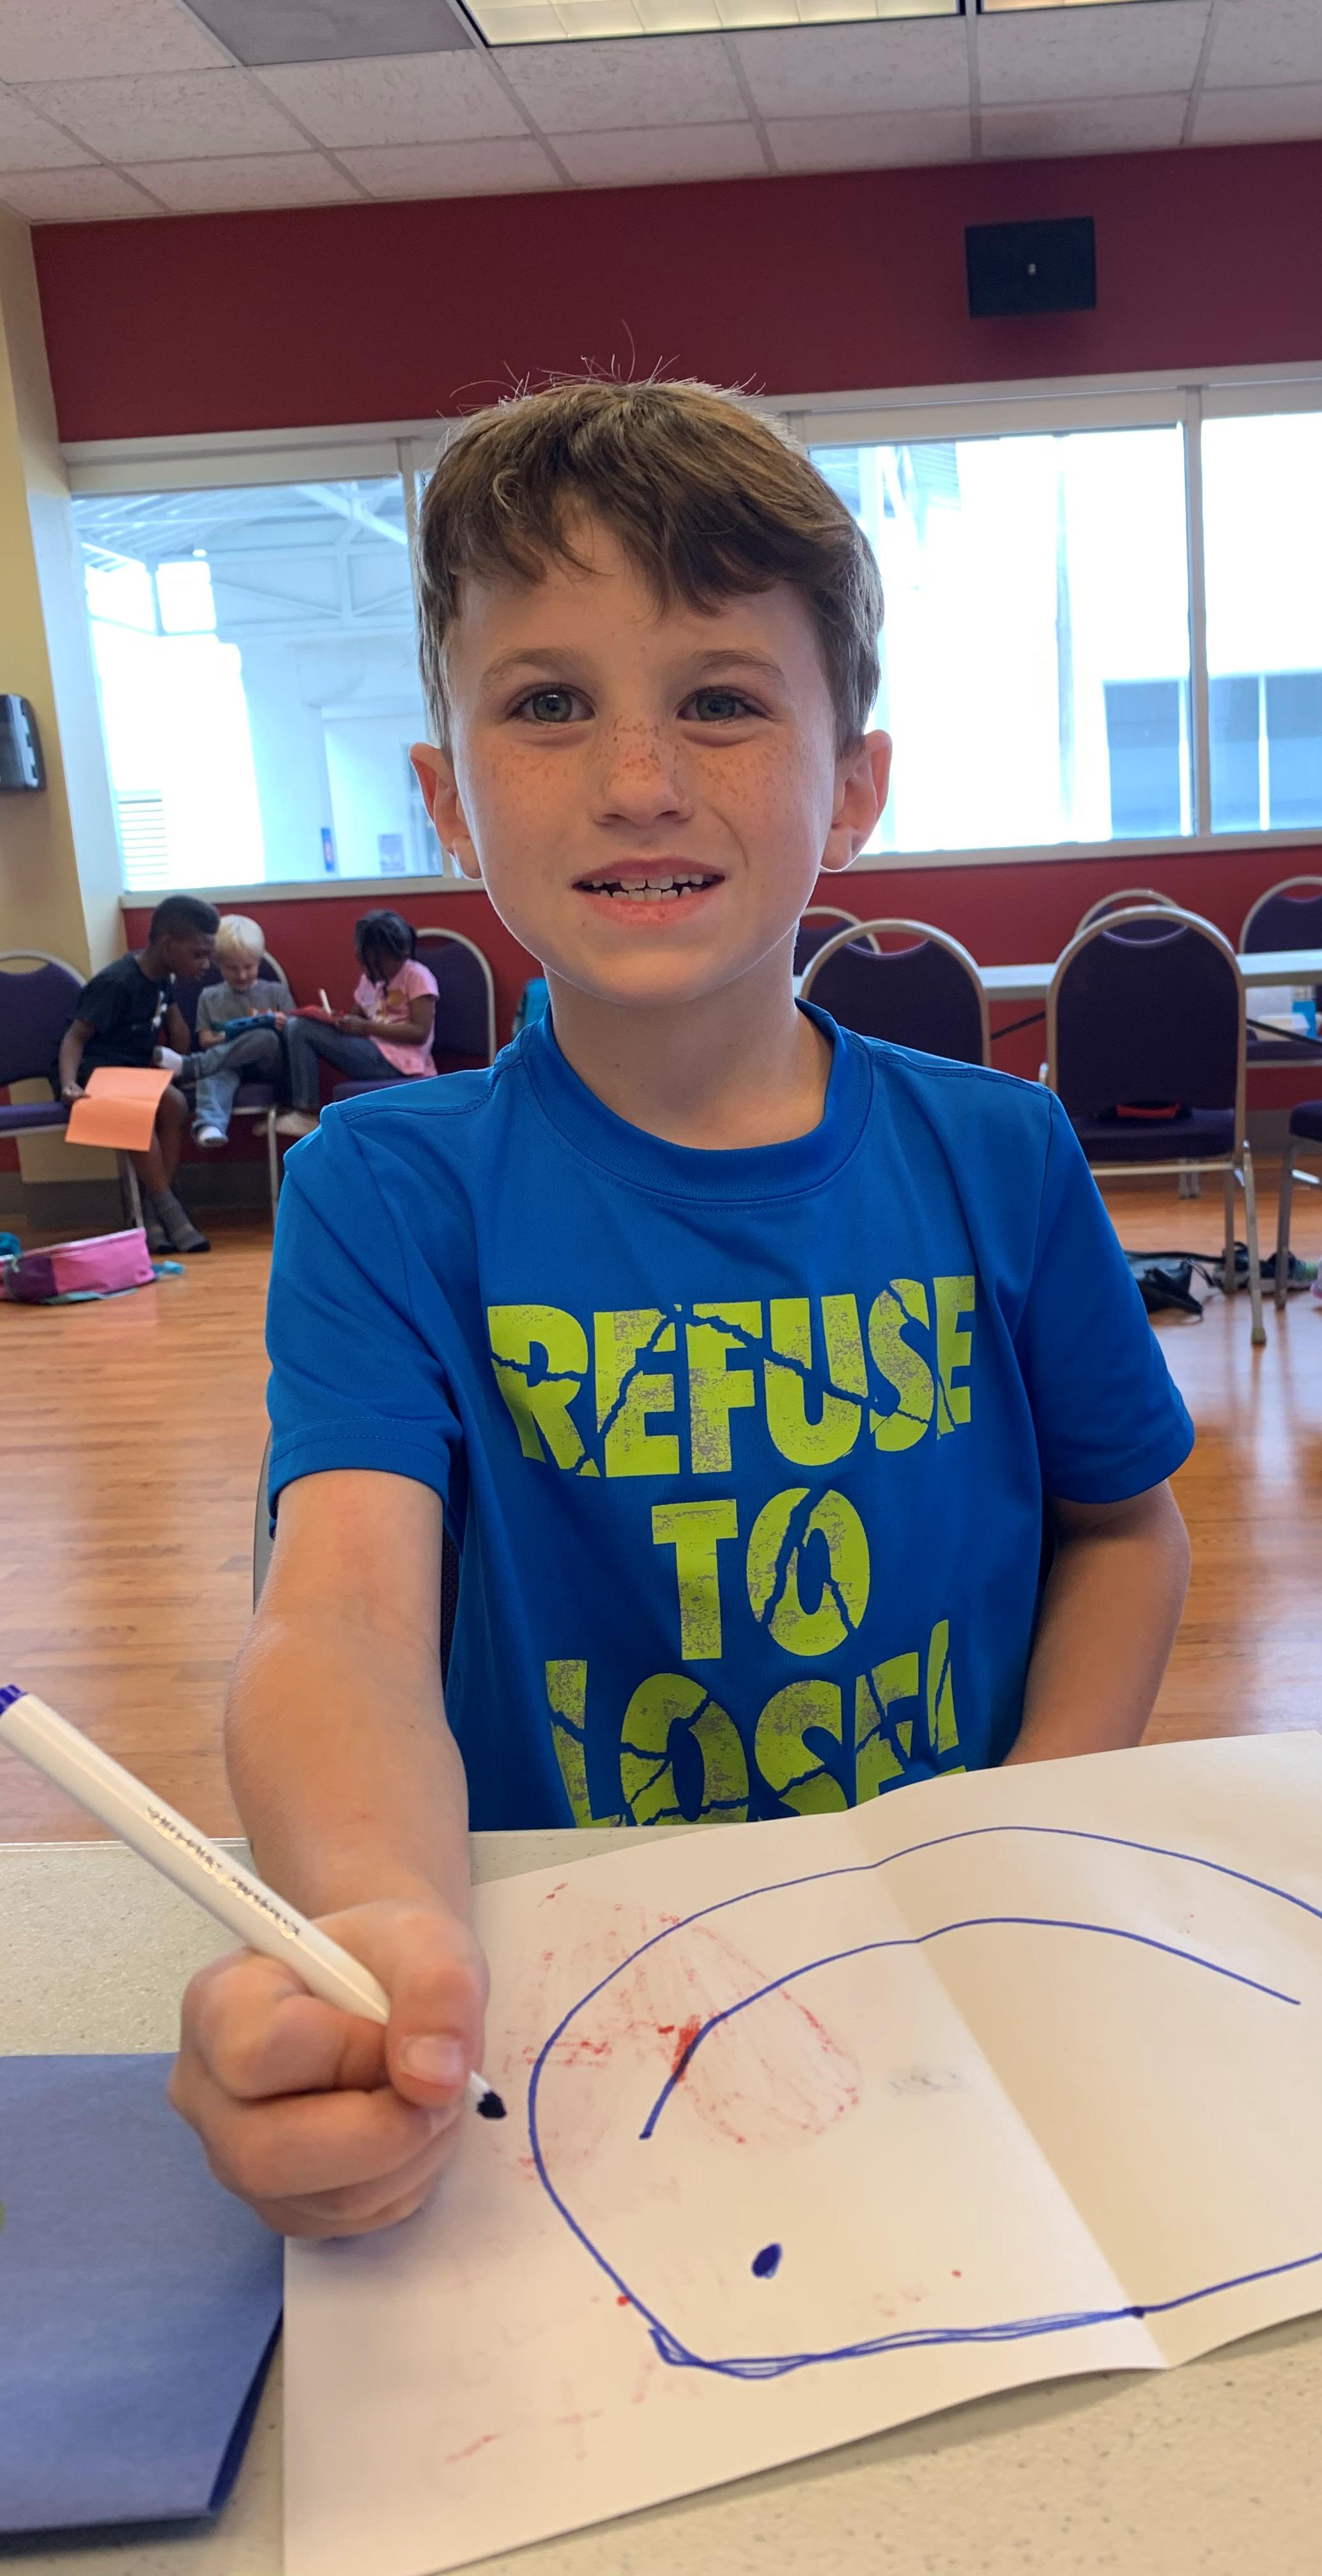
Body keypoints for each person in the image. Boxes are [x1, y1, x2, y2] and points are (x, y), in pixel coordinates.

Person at [170, 378, 1194, 2241]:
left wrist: (1024, 1832)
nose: (638, 779)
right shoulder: (385, 1196)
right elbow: (337, 1623)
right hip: (554, 2011)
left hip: (936, 1989)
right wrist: (375, 1920)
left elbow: (1124, 1528)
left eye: (720, 698)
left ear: (854, 783)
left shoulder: (1005, 1154)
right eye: (549, 702)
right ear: (447, 792)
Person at [57, 893, 217, 1255]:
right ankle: (167, 1207)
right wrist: (69, 1082)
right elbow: (75, 1036)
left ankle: (152, 1205)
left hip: (132, 1072)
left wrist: (181, 1057)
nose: (206, 963)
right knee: (138, 1110)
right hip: (92, 1072)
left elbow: (175, 1029)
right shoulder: (117, 983)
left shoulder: (162, 979)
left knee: (175, 1103)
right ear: (167, 944)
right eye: (198, 954)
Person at [275, 911, 438, 1139]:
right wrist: (335, 1021)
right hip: (371, 1054)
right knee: (298, 1025)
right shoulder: (370, 979)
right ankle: (299, 1109)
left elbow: (420, 1032)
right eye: (366, 963)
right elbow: (356, 1018)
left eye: (378, 963)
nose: (371, 971)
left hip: (402, 1064)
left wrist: (363, 1027)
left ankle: (305, 1111)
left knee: (299, 1029)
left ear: (400, 954)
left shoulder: (417, 976)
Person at [187, 914, 295, 1150]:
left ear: (258, 961)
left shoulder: (276, 992)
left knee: (265, 1037)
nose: (242, 975)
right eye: (232, 968)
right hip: (227, 1066)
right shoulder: (209, 997)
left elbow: (294, 1036)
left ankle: (193, 1066)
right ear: (218, 964)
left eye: (249, 967)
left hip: (268, 1066)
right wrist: (233, 1036)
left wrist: (279, 1025)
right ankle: (209, 1126)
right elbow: (205, 1039)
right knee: (215, 1073)